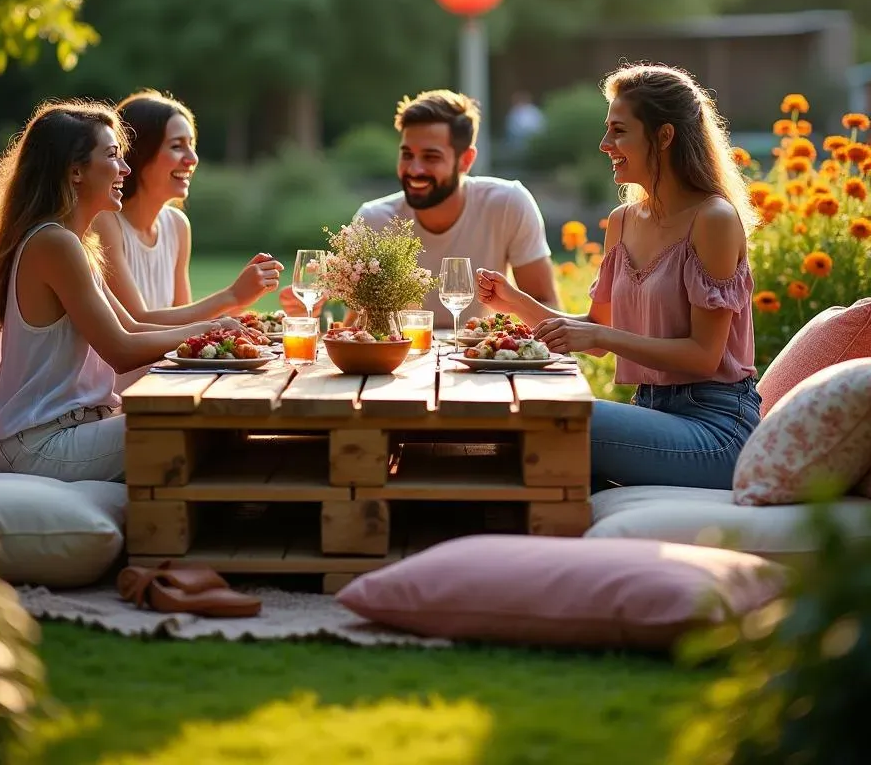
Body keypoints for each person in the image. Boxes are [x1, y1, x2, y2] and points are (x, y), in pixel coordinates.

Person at [476, 63, 761, 492]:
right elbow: (598, 327)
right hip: (655, 414)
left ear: (664, 137)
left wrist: (600, 339)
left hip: (716, 431)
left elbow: (704, 356)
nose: (605, 144)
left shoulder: (713, 219)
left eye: (619, 131)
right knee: (543, 443)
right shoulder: (622, 222)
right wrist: (514, 301)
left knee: (552, 419)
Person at [0, 99, 254, 482]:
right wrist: (208, 329)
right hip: (42, 443)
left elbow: (133, 326)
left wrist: (217, 330)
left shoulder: (75, 243)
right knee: (201, 424)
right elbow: (120, 350)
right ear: (75, 172)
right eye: (113, 156)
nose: (125, 169)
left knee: (213, 418)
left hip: (69, 432)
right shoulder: (55, 244)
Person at [282, 89, 558, 328]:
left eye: (431, 157)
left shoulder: (508, 203)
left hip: (482, 365)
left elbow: (547, 304)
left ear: (465, 161)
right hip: (398, 370)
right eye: (407, 155)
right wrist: (311, 308)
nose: (414, 169)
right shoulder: (373, 219)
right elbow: (356, 325)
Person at [94, 90, 283, 324]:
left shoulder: (177, 225)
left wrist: (263, 315)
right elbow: (137, 322)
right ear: (137, 153)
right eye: (177, 146)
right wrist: (232, 296)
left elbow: (184, 323)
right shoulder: (104, 222)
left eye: (191, 144)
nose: (192, 158)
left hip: (160, 362)